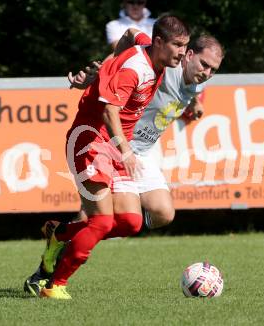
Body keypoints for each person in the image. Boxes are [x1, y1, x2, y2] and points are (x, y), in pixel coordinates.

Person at [24, 30, 224, 299]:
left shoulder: (196, 82)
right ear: (187, 54)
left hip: (140, 153)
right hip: (114, 144)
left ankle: (61, 236)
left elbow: (184, 93)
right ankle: (47, 276)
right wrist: (103, 71)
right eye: (204, 64)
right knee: (95, 220)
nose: (207, 72)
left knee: (157, 215)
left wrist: (193, 105)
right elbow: (131, 37)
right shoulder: (166, 64)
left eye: (214, 69)